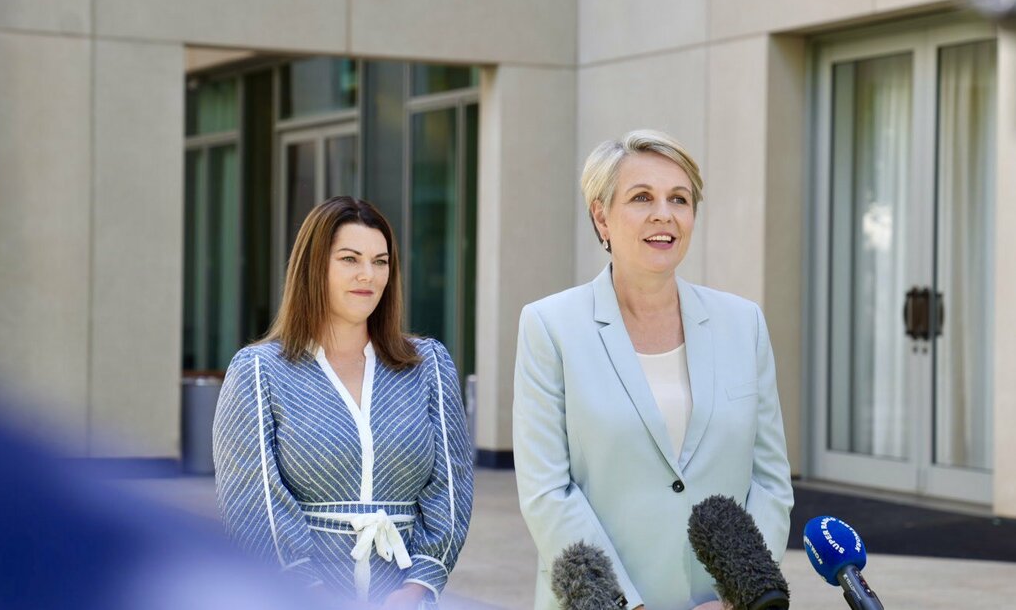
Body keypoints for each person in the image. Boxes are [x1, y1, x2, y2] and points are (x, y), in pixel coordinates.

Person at [513, 130, 793, 610]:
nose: (663, 214)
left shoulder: (742, 323)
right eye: (642, 197)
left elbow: (769, 481)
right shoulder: (550, 326)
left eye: (679, 199)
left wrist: (737, 598)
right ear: (602, 217)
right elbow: (547, 493)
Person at [213, 196, 473, 609]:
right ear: (315, 267)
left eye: (381, 261)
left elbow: (453, 488)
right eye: (350, 259)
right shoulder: (259, 371)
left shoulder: (429, 365)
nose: (368, 275)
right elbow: (252, 500)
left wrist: (416, 588)